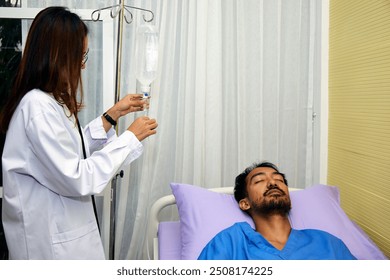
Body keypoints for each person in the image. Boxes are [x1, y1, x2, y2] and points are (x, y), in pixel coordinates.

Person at [0, 6, 158, 260]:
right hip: (48, 246)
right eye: (80, 57)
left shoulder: (47, 102)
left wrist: (112, 115)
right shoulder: (37, 107)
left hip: (62, 235)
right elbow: (77, 176)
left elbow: (69, 150)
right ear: (58, 57)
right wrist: (129, 138)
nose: (82, 67)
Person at [198, 161, 356, 260]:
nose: (273, 183)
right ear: (245, 204)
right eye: (259, 180)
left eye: (279, 179)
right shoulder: (231, 242)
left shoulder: (327, 242)